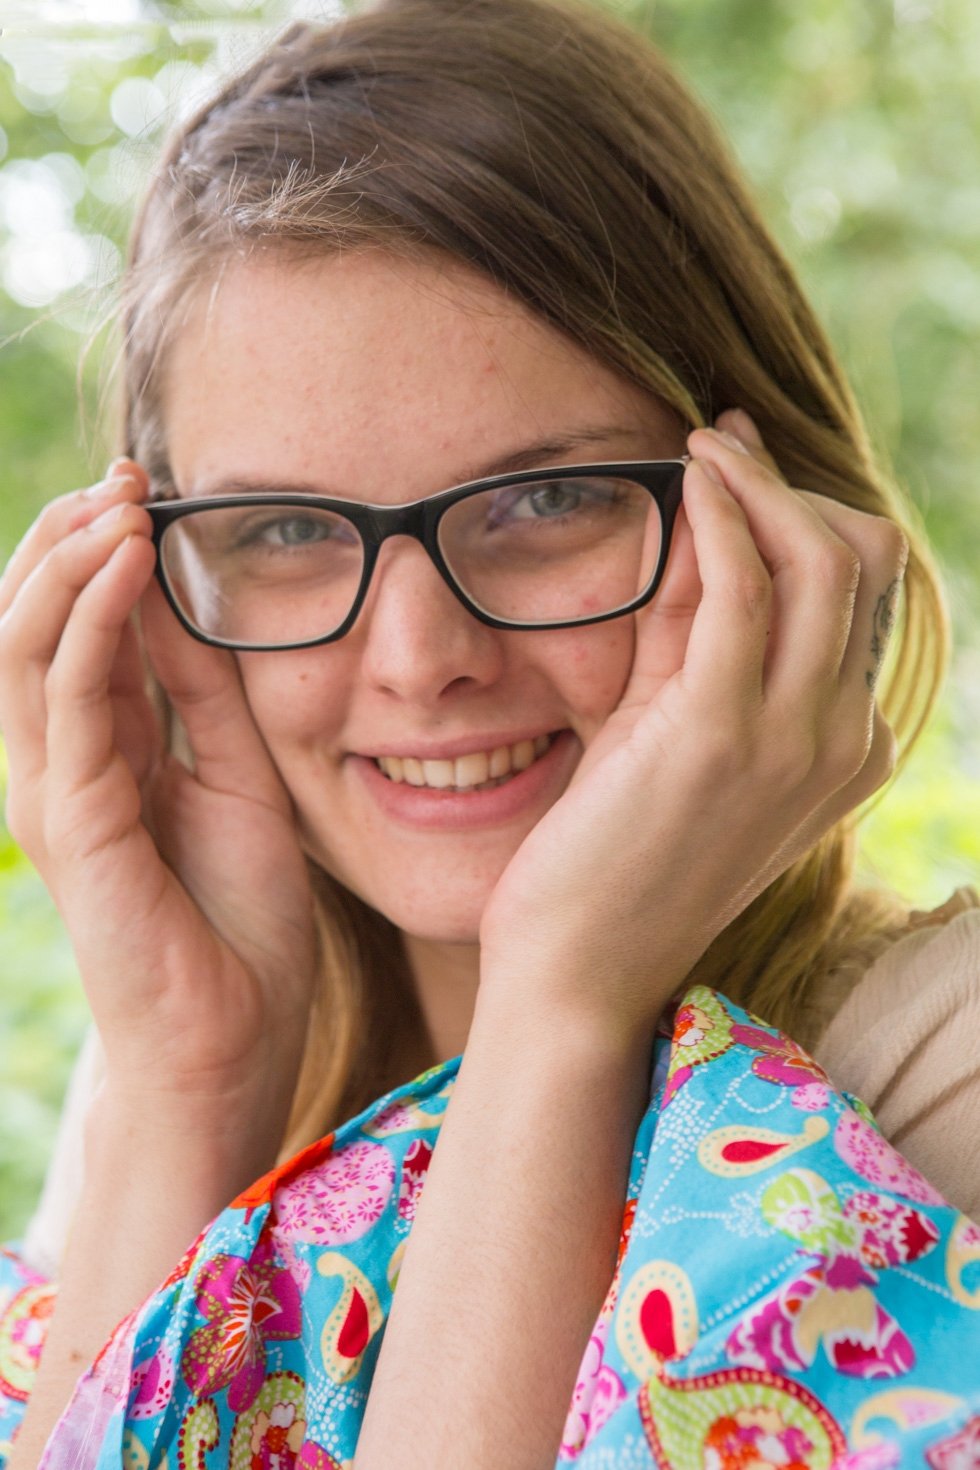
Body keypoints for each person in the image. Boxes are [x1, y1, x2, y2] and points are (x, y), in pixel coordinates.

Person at [0, 0, 978, 1463]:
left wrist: (564, 1000)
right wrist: (189, 1084)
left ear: (776, 517)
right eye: (287, 528)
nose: (421, 661)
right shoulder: (165, 1089)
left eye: (548, 500)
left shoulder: (936, 1072)